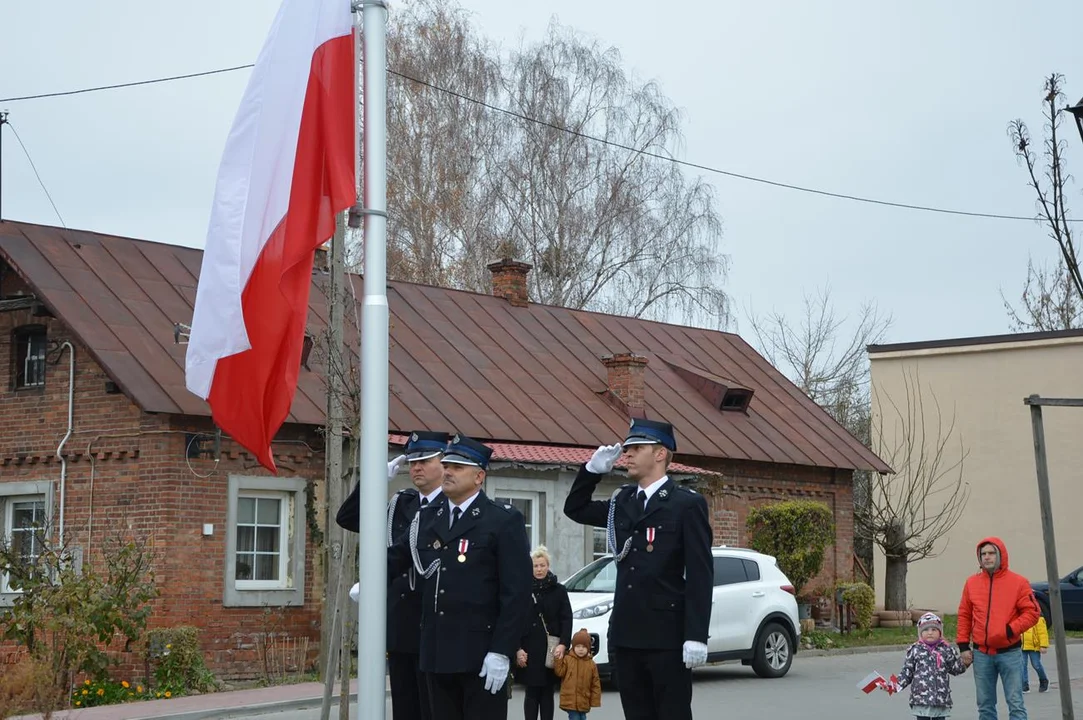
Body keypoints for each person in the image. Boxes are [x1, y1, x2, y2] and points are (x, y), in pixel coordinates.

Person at [563, 417, 713, 720]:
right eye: (626, 448)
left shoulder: (685, 504)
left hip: (666, 636)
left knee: (671, 714)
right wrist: (591, 472)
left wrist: (696, 634)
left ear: (660, 454)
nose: (626, 454)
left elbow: (700, 573)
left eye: (636, 448)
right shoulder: (624, 501)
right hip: (627, 633)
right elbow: (575, 509)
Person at [388, 434, 533, 720]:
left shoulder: (502, 520)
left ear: (479, 476)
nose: (448, 472)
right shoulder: (428, 517)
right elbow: (397, 557)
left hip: (480, 654)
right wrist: (369, 579)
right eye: (447, 465)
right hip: (435, 651)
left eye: (457, 467)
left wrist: (502, 651)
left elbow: (516, 593)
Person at [337, 430, 449, 720]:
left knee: (434, 708)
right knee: (405, 707)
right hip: (400, 625)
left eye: (424, 460)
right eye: (412, 462)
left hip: (435, 623)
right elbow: (348, 519)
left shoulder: (453, 507)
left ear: (443, 463)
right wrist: (372, 484)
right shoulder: (402, 504)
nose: (417, 468)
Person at [956, 537, 1040, 720]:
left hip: (1010, 654)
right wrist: (963, 646)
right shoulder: (972, 583)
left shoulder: (1019, 582)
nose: (987, 557)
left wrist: (1010, 630)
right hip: (982, 655)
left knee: (1015, 704)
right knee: (985, 706)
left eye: (991, 553)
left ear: (1001, 555)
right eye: (983, 554)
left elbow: (1033, 612)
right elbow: (964, 615)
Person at [515, 546, 573, 720]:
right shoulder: (522, 590)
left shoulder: (559, 590)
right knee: (531, 693)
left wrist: (563, 644)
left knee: (547, 693)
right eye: (535, 566)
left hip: (551, 649)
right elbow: (515, 621)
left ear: (548, 566)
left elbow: (566, 619)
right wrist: (517, 648)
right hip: (528, 649)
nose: (539, 569)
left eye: (542, 565)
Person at [894, 612, 967, 719]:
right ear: (920, 633)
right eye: (926, 630)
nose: (930, 633)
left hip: (940, 699)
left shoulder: (946, 650)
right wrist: (895, 685)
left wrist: (965, 662)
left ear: (940, 632)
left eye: (934, 630)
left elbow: (955, 669)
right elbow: (907, 672)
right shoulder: (915, 650)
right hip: (921, 699)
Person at [554, 628, 602, 720]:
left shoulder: (591, 664)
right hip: (570, 700)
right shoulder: (568, 659)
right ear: (573, 646)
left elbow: (595, 683)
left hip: (584, 700)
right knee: (575, 717)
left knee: (582, 717)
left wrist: (594, 700)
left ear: (588, 648)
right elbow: (560, 672)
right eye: (578, 646)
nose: (581, 649)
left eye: (584, 647)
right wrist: (558, 660)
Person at [1020, 615, 1049, 693]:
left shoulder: (1039, 619)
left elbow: (1043, 633)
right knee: (1022, 665)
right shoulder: (1020, 617)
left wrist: (1043, 645)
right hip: (1022, 646)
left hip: (1034, 647)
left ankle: (1044, 680)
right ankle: (1024, 685)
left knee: (1036, 664)